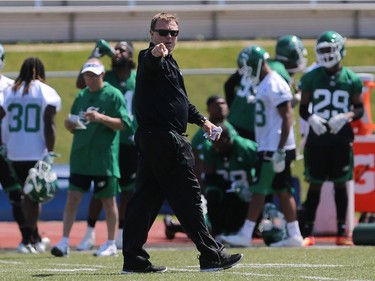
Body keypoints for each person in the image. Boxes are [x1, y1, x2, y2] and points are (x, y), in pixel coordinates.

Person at [121, 12, 243, 274]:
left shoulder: (171, 63)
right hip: (164, 139)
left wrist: (204, 122)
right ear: (151, 34)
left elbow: (180, 101)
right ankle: (211, 255)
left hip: (154, 139)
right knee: (188, 196)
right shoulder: (148, 57)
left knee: (146, 199)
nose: (168, 37)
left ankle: (133, 259)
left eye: (173, 33)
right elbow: (150, 60)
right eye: (162, 32)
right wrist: (156, 54)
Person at [220, 45, 303, 247]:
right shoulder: (265, 82)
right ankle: (294, 235)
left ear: (257, 64)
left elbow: (287, 117)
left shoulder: (274, 82)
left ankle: (246, 233)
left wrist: (281, 150)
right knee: (280, 190)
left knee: (261, 189)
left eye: (248, 67)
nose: (246, 73)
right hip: (269, 145)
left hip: (275, 147)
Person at [50, 58, 132, 257]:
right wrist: (70, 125)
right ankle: (64, 241)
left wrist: (100, 118)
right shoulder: (81, 96)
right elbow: (74, 121)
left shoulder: (113, 95)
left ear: (102, 75)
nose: (89, 79)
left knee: (108, 201)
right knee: (72, 199)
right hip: (80, 157)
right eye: (86, 75)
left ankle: (111, 242)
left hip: (103, 159)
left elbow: (125, 124)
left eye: (93, 75)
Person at [298, 30, 364, 246]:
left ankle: (343, 232)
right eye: (323, 50)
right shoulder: (310, 77)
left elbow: (360, 108)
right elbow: (304, 108)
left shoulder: (351, 78)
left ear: (340, 50)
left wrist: (346, 116)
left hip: (340, 137)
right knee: (315, 184)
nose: (326, 55)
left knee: (340, 184)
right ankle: (307, 232)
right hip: (318, 137)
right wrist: (312, 119)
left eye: (330, 50)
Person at [75, 40, 137, 251]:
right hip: (109, 143)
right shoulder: (105, 77)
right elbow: (80, 83)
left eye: (122, 49)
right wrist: (95, 56)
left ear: (130, 56)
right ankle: (90, 232)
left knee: (128, 190)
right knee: (100, 190)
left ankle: (120, 233)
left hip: (131, 141)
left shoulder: (138, 79)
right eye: (115, 49)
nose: (117, 52)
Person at [0, 57, 61, 253]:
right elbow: (49, 125)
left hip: (13, 151)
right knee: (33, 198)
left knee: (24, 197)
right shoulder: (45, 91)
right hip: (35, 151)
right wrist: (50, 152)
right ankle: (28, 240)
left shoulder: (10, 91)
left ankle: (30, 239)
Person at [164, 95, 238, 240]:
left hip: (228, 180)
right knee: (209, 225)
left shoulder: (230, 128)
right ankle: (174, 226)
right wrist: (199, 186)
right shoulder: (202, 135)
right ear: (209, 108)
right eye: (217, 104)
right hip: (211, 183)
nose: (221, 107)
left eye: (224, 103)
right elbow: (196, 162)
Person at [201, 122, 257, 241]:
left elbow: (262, 168)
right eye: (213, 142)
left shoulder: (245, 147)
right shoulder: (209, 148)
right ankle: (218, 232)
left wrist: (254, 187)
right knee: (212, 192)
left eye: (219, 141)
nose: (216, 145)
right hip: (224, 190)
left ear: (228, 138)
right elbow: (209, 177)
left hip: (246, 193)